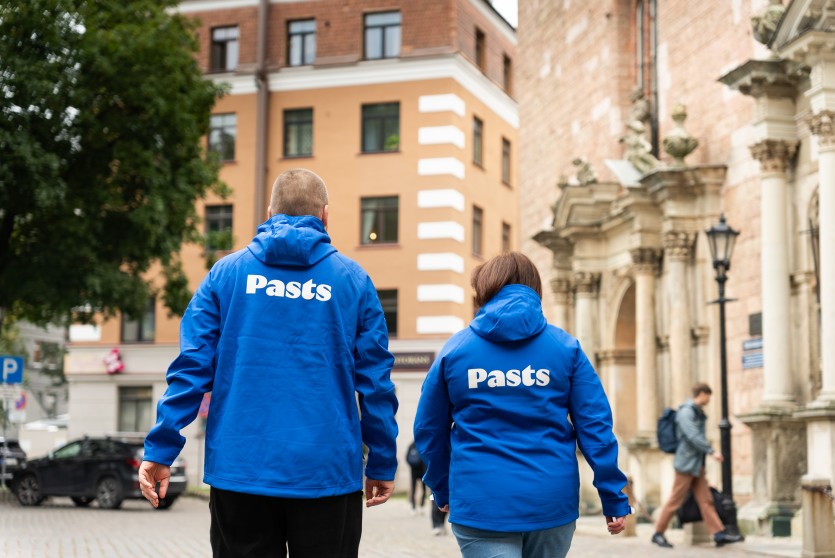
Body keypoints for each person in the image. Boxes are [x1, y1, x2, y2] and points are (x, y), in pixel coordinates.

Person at [138, 168, 399, 558]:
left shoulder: (225, 275)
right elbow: (375, 383)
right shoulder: (354, 281)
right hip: (325, 473)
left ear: (269, 212)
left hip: (241, 470)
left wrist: (160, 449)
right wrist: (381, 459)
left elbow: (191, 367)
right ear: (325, 215)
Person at [413, 251, 630, 558]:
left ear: (484, 289)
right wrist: (613, 494)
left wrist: (441, 485)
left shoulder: (456, 351)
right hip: (549, 499)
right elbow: (595, 426)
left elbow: (428, 429)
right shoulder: (565, 348)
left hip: (481, 499)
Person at [651, 383, 744, 548]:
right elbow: (692, 435)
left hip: (695, 465)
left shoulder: (696, 411)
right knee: (675, 500)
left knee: (706, 500)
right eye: (708, 395)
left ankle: (719, 533)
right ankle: (658, 532)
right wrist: (711, 450)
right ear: (702, 394)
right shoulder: (686, 412)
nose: (709, 399)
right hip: (686, 464)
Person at [406, 441, 427, 515]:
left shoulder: (411, 445)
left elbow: (407, 458)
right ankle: (420, 506)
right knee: (423, 490)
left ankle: (415, 508)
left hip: (415, 471)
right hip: (422, 471)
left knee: (414, 490)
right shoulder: (423, 444)